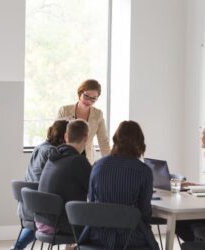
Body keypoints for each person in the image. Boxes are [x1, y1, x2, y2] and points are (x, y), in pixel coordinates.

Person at [80, 120, 159, 250]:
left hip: (97, 235)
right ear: (140, 142)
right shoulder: (143, 171)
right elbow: (144, 212)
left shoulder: (98, 165)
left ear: (115, 139)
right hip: (130, 237)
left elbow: (92, 203)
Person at [11, 120, 69, 250]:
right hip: (41, 209)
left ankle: (16, 247)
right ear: (65, 135)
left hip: (27, 206)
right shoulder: (53, 152)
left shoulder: (39, 147)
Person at [37, 119, 92, 234]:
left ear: (66, 136)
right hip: (59, 224)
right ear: (86, 138)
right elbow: (96, 191)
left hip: (42, 220)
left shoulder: (53, 157)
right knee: (102, 223)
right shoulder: (78, 161)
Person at [57, 79, 110, 164]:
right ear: (80, 93)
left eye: (93, 99)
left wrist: (109, 164)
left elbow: (103, 142)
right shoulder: (64, 110)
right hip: (66, 156)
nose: (89, 101)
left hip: (87, 159)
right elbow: (56, 136)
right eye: (86, 96)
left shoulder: (98, 114)